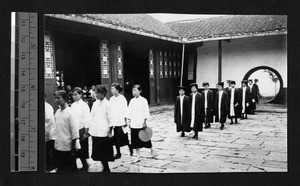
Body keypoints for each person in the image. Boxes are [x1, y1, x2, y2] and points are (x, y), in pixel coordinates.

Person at [88, 85, 114, 172]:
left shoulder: (108, 104)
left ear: (103, 93)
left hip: (104, 131)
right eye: (95, 92)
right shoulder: (95, 104)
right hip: (96, 130)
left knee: (104, 151)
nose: (96, 94)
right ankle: (103, 166)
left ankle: (106, 168)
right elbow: (91, 116)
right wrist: (89, 129)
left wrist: (110, 131)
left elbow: (111, 118)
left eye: (97, 93)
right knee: (98, 151)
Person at [53, 90, 80, 172]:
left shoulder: (70, 112)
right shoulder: (57, 112)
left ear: (65, 99)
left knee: (70, 169)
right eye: (55, 98)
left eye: (59, 98)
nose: (56, 100)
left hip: (68, 146)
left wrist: (73, 145)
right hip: (58, 144)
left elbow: (74, 130)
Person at [127, 85, 155, 163]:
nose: (134, 92)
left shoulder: (143, 100)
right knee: (135, 141)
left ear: (140, 91)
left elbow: (146, 112)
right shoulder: (132, 101)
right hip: (134, 123)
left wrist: (145, 121)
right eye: (133, 90)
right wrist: (129, 121)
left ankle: (152, 149)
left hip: (141, 123)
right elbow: (129, 111)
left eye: (136, 90)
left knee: (145, 138)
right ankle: (138, 156)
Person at [110, 83, 133, 159]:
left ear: (117, 90)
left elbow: (125, 110)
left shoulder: (122, 98)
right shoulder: (111, 99)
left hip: (121, 121)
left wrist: (126, 120)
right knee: (115, 138)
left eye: (113, 89)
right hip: (115, 121)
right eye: (111, 89)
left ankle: (130, 148)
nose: (111, 90)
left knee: (123, 138)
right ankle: (118, 153)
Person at [71, 87, 91, 171]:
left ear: (81, 95)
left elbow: (86, 118)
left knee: (82, 148)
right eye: (72, 95)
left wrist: (87, 131)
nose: (74, 96)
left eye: (76, 94)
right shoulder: (72, 105)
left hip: (82, 129)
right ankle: (74, 166)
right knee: (74, 148)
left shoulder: (84, 105)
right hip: (74, 129)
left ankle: (85, 165)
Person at [45, 93, 56, 171]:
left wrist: (46, 132)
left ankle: (49, 167)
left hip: (48, 133)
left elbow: (49, 121)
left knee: (48, 152)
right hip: (46, 133)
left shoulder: (47, 107)